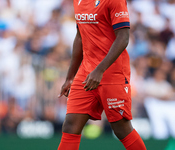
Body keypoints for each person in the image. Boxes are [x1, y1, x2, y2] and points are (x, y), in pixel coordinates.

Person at [57, 0, 147, 149]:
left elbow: (123, 37)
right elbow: (80, 37)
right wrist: (70, 77)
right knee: (70, 125)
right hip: (86, 73)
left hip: (113, 72)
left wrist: (100, 70)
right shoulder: (78, 1)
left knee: (121, 128)